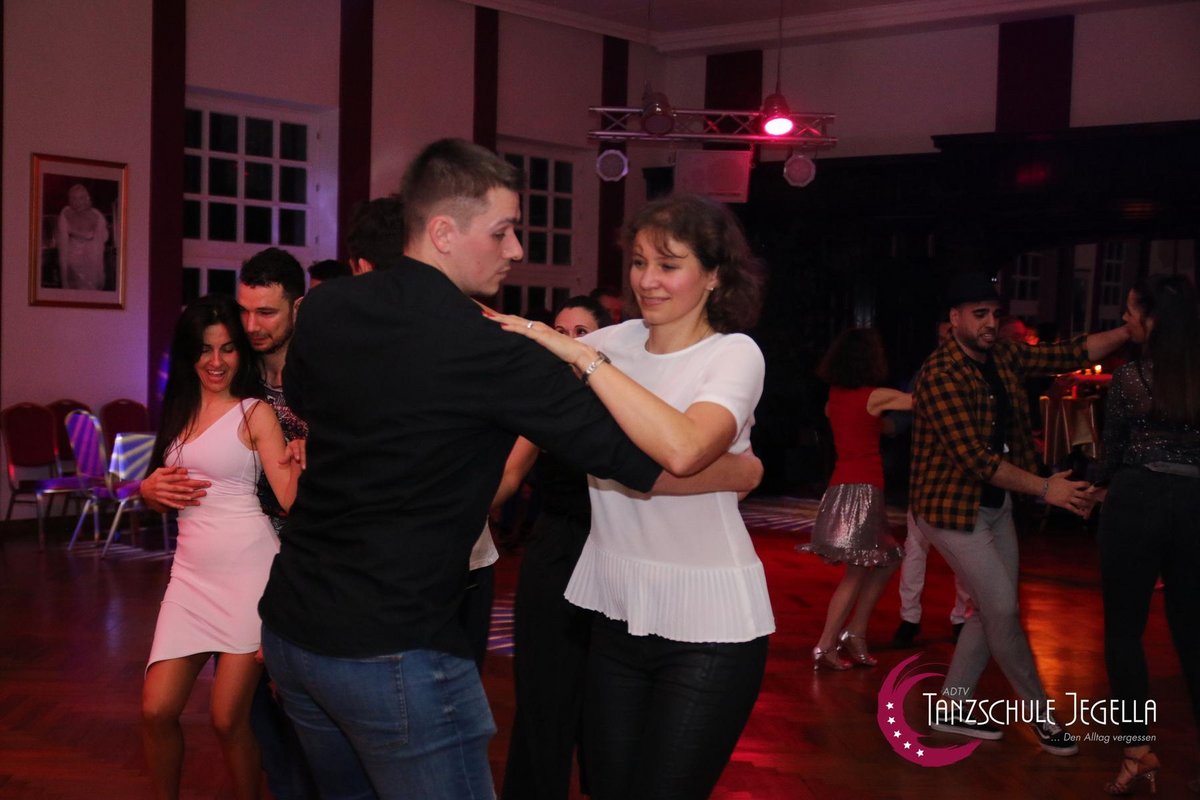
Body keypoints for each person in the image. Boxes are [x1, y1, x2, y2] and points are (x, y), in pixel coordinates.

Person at [256, 138, 663, 799]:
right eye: (502, 232)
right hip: (391, 649)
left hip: (293, 631)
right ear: (443, 233)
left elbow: (305, 399)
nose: (517, 250)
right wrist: (736, 467)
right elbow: (638, 459)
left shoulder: (328, 306)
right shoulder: (493, 351)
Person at [491, 193, 771, 799]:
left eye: (669, 265)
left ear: (714, 275)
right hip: (617, 610)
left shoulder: (732, 353)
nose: (647, 280)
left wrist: (587, 361)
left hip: (709, 624)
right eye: (640, 262)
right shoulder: (611, 344)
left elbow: (684, 449)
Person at [910, 271, 1132, 756]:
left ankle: (951, 705)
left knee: (993, 607)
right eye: (979, 314)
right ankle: (1042, 716)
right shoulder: (941, 374)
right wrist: (1047, 488)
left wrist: (1127, 331)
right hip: (950, 510)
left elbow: (1070, 353)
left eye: (995, 314)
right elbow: (975, 459)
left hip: (994, 506)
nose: (991, 323)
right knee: (1003, 610)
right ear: (954, 319)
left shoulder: (1003, 355)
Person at [141, 249, 316, 800]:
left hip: (248, 576)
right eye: (204, 349)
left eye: (226, 348)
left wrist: (309, 461)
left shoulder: (254, 411)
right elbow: (164, 490)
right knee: (156, 710)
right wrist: (145, 491)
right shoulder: (177, 410)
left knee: (227, 719)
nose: (215, 360)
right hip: (189, 579)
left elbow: (291, 499)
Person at [1094, 275, 1200, 795]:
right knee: (1194, 634)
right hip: (1196, 507)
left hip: (1136, 502)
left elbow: (1112, 453)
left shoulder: (1131, 377)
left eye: (1131, 311)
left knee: (1123, 632)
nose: (1125, 319)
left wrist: (1092, 485)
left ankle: (1137, 752)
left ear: (1153, 319)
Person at [800, 328, 910, 670]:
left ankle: (856, 632)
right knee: (857, 571)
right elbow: (920, 401)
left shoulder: (834, 399)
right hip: (862, 489)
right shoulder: (874, 396)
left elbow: (869, 428)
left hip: (841, 487)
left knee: (889, 558)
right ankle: (826, 645)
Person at [894, 319, 973, 647]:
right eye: (942, 336)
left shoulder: (972, 371)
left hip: (960, 475)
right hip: (927, 475)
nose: (946, 342)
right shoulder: (929, 371)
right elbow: (903, 416)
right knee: (916, 548)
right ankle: (909, 618)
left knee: (962, 552)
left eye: (950, 335)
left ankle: (960, 617)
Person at [56, 183, 109, 290]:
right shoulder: (65, 213)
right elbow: (63, 247)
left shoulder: (97, 216)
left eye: (81, 198)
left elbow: (101, 243)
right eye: (74, 198)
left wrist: (100, 274)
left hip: (92, 258)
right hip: (72, 257)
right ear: (70, 200)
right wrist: (64, 279)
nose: (77, 202)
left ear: (87, 199)